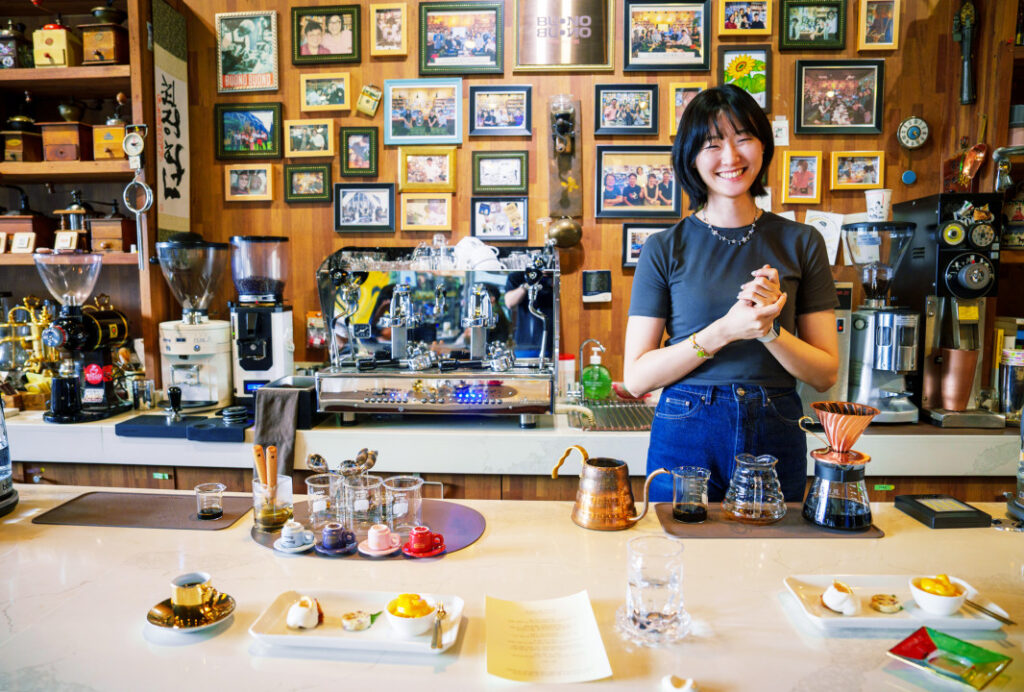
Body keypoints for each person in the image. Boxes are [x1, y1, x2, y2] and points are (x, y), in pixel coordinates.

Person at [623, 84, 839, 504]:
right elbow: (637, 378)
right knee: (682, 558)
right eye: (712, 144)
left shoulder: (802, 242)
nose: (731, 157)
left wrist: (767, 331)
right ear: (691, 157)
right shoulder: (664, 247)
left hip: (776, 425)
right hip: (686, 427)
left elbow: (824, 375)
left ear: (763, 145)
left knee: (770, 562)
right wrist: (726, 329)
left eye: (743, 139)